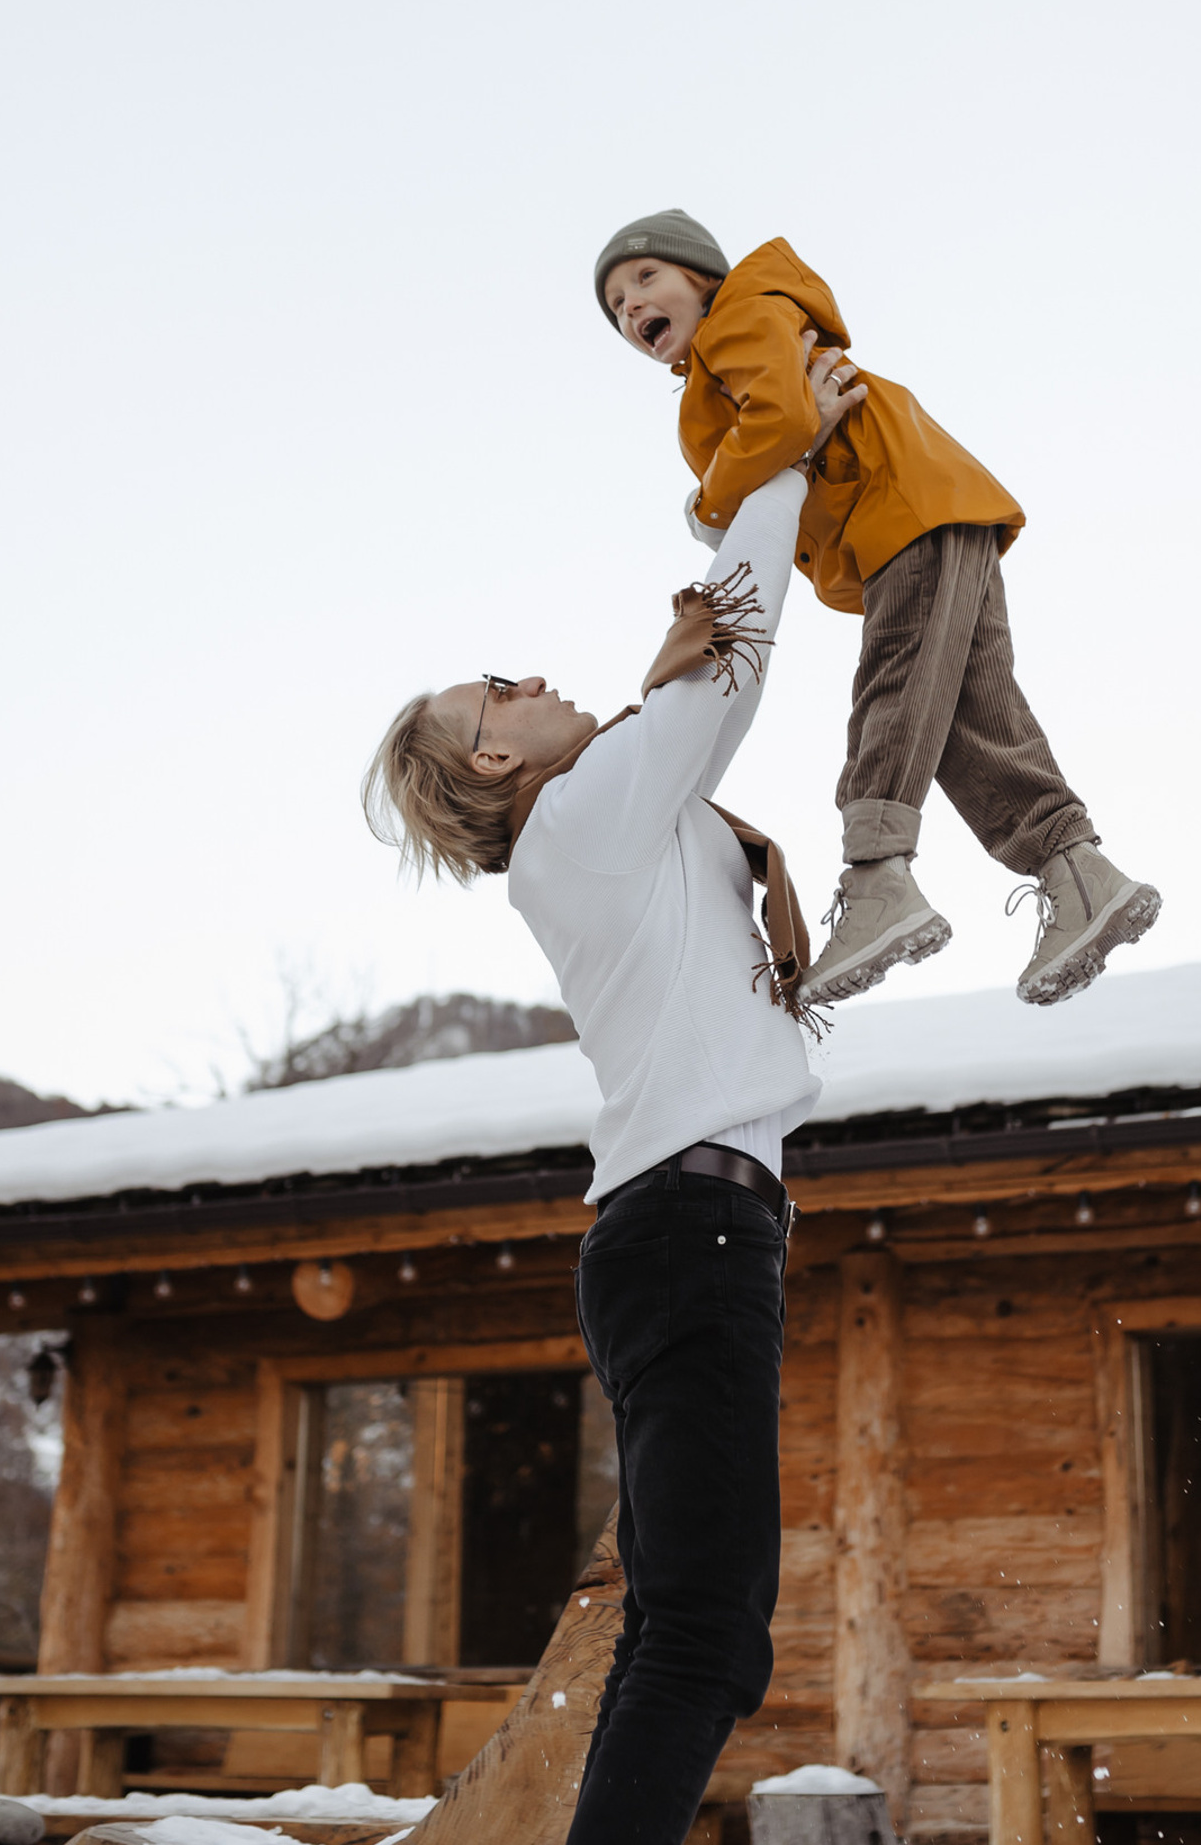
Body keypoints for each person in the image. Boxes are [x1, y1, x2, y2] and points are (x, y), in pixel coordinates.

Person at [362, 345, 860, 1845]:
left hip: (683, 1238)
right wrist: (783, 456)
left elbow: (701, 707)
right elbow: (732, 659)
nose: (524, 675)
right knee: (706, 1633)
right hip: (690, 1238)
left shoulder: (620, 830)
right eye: (493, 690)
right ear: (496, 757)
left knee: (689, 1629)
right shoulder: (583, 818)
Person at [594, 208, 1163, 1008]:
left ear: (702, 278)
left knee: (894, 685)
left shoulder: (742, 316)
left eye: (645, 279)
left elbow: (785, 423)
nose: (630, 307)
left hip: (904, 511)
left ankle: (876, 881)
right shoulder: (721, 364)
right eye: (616, 306)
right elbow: (785, 436)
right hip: (928, 506)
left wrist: (708, 502)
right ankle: (1078, 872)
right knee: (970, 716)